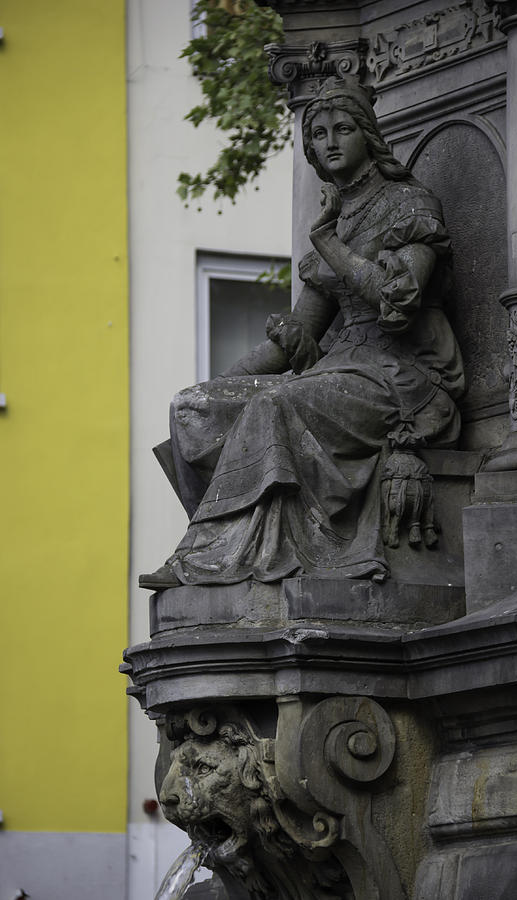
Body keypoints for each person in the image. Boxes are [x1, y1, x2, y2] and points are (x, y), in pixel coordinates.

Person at [140, 75, 464, 590]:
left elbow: (395, 297)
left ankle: (208, 558)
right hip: (341, 370)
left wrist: (326, 240)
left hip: (401, 376)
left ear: (368, 134)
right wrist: (223, 388)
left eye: (341, 128)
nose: (328, 141)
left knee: (274, 406)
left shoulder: (410, 205)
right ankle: (225, 552)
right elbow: (296, 336)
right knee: (193, 407)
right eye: (317, 133)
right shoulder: (337, 219)